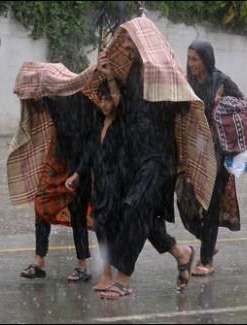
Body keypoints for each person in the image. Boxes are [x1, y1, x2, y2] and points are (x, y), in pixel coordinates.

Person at [96, 25, 197, 300]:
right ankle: (181, 252)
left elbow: (184, 105)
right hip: (136, 155)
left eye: (129, 40)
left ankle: (123, 279)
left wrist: (168, 87)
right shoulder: (132, 72)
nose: (125, 46)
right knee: (144, 217)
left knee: (136, 207)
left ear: (143, 42)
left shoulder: (161, 70)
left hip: (159, 158)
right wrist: (111, 79)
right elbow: (123, 107)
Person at [19, 91, 98, 282]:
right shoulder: (52, 101)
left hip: (80, 167)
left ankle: (82, 266)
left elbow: (91, 146)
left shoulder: (86, 106)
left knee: (78, 214)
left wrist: (79, 173)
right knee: (41, 205)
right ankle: (39, 262)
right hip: (58, 163)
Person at [65, 51, 127, 292]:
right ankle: (108, 272)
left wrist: (110, 77)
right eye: (101, 100)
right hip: (99, 185)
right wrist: (77, 175)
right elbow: (89, 155)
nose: (105, 104)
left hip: (118, 183)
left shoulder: (121, 122)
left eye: (108, 100)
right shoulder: (98, 124)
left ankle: (111, 273)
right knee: (101, 228)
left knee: (110, 228)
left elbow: (119, 100)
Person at [185, 40, 242, 277]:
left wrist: (224, 103)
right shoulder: (188, 81)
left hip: (219, 153)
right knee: (185, 200)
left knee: (210, 206)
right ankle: (206, 239)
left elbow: (244, 105)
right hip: (194, 150)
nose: (191, 64)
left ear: (206, 60)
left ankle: (206, 260)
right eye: (189, 59)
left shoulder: (222, 81)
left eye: (195, 60)